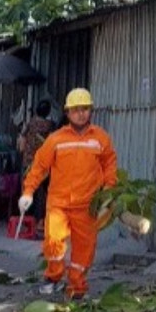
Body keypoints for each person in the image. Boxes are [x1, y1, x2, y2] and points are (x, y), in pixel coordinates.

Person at [18, 88, 118, 299]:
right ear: (67, 112)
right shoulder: (55, 139)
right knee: (53, 242)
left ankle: (77, 288)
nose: (80, 113)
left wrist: (109, 189)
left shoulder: (100, 139)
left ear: (90, 111)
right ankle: (53, 278)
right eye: (75, 110)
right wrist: (28, 192)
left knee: (84, 249)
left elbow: (109, 163)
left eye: (85, 109)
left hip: (87, 205)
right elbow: (39, 167)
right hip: (59, 204)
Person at [18, 100, 56, 221]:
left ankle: (24, 217)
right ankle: (39, 219)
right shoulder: (50, 125)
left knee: (27, 189)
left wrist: (24, 153)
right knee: (42, 192)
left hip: (28, 161)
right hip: (43, 163)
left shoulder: (30, 123)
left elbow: (22, 142)